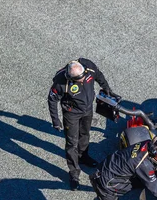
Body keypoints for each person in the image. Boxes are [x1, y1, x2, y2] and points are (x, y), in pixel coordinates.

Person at [48, 58, 116, 190]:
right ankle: (74, 173)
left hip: (87, 110)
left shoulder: (89, 68)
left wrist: (106, 88)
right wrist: (55, 120)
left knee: (85, 134)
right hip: (71, 114)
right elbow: (52, 100)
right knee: (72, 142)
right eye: (79, 79)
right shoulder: (61, 83)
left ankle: (83, 156)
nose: (83, 80)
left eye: (84, 77)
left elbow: (99, 75)